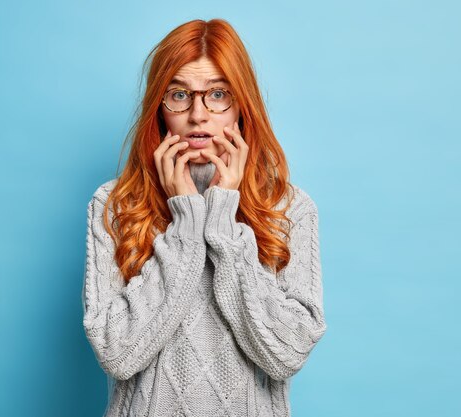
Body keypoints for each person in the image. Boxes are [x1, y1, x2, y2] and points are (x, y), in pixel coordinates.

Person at [82, 18, 327, 417]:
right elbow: (117, 354)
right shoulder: (114, 205)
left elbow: (286, 353)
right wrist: (187, 221)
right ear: (158, 108)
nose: (198, 114)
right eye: (178, 94)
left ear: (242, 106)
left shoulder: (289, 207)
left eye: (217, 94)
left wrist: (223, 223)